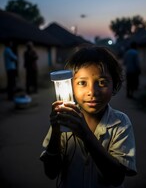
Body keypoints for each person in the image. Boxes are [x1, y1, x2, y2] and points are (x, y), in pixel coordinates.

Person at [40, 45, 137, 188]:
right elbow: (51, 173)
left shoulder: (120, 123)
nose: (92, 91)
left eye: (102, 82)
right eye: (82, 83)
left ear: (114, 84)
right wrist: (55, 131)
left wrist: (85, 135)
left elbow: (116, 178)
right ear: (70, 86)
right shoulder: (64, 120)